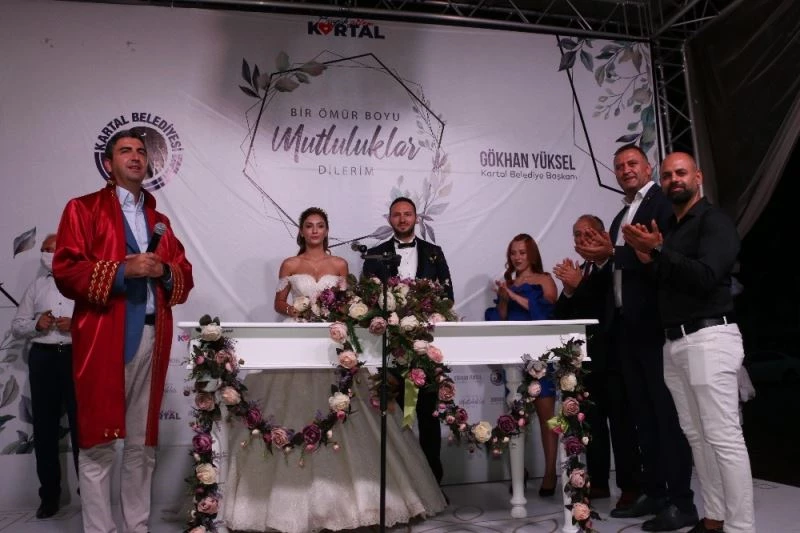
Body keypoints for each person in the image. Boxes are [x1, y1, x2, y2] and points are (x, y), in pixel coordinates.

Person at [223, 207, 447, 533]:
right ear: (302, 231)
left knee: (352, 402)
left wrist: (333, 311)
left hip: (333, 336)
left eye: (320, 226)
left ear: (327, 230)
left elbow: (347, 302)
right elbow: (279, 303)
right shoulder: (290, 264)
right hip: (299, 335)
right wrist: (298, 309)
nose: (315, 230)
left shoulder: (340, 264)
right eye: (309, 226)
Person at [53, 130, 193, 533]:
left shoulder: (160, 221)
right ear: (108, 163)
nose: (135, 157)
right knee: (97, 443)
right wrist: (121, 270)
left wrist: (164, 270)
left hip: (153, 336)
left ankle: (137, 526)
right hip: (102, 336)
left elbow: (184, 275)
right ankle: (100, 529)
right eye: (125, 150)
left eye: (141, 152)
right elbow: (66, 269)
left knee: (141, 444)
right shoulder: (82, 209)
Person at [621, 152, 755, 533]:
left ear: (698, 177)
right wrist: (649, 258)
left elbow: (708, 276)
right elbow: (668, 283)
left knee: (724, 438)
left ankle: (741, 527)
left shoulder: (715, 221)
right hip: (674, 342)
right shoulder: (670, 228)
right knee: (697, 437)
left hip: (710, 337)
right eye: (667, 176)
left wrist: (659, 251)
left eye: (681, 173)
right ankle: (714, 518)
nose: (673, 180)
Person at [576, 144, 696, 531]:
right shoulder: (619, 216)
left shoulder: (662, 203)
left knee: (666, 417)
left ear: (648, 168)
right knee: (642, 419)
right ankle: (655, 492)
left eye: (632, 163)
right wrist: (602, 258)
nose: (626, 170)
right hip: (625, 329)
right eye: (619, 166)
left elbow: (660, 256)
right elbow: (619, 268)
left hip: (654, 326)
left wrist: (614, 252)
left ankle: (681, 500)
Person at [361, 196, 453, 484]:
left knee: (428, 417)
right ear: (389, 219)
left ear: (416, 218)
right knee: (390, 418)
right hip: (389, 348)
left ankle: (433, 485)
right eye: (397, 214)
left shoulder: (434, 253)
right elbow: (366, 299)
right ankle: (397, 488)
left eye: (407, 214)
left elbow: (448, 297)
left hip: (425, 348)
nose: (402, 219)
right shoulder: (374, 255)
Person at [552, 215, 642, 504]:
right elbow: (562, 317)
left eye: (588, 233)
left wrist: (580, 285)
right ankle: (600, 482)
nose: (583, 239)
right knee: (593, 425)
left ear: (604, 235)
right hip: (588, 364)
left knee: (622, 425)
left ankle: (631, 486)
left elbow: (605, 309)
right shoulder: (581, 271)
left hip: (616, 359)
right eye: (577, 235)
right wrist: (568, 291)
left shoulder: (617, 265)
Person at [484, 233, 559, 496]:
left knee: (548, 419)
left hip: (540, 356)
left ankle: (550, 472)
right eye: (513, 253)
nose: (517, 257)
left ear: (532, 254)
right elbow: (502, 319)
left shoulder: (545, 280)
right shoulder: (508, 283)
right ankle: (519, 472)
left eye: (522, 252)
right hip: (514, 359)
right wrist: (504, 299)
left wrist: (514, 297)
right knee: (516, 419)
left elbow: (547, 313)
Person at [11, 233, 78, 519]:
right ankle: (49, 497)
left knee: (82, 428)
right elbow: (17, 326)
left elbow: (99, 323)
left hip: (75, 358)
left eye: (51, 249)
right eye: (43, 249)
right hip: (43, 358)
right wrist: (36, 325)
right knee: (44, 429)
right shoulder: (36, 286)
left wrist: (76, 325)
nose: (46, 254)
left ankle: (91, 495)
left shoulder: (82, 284)